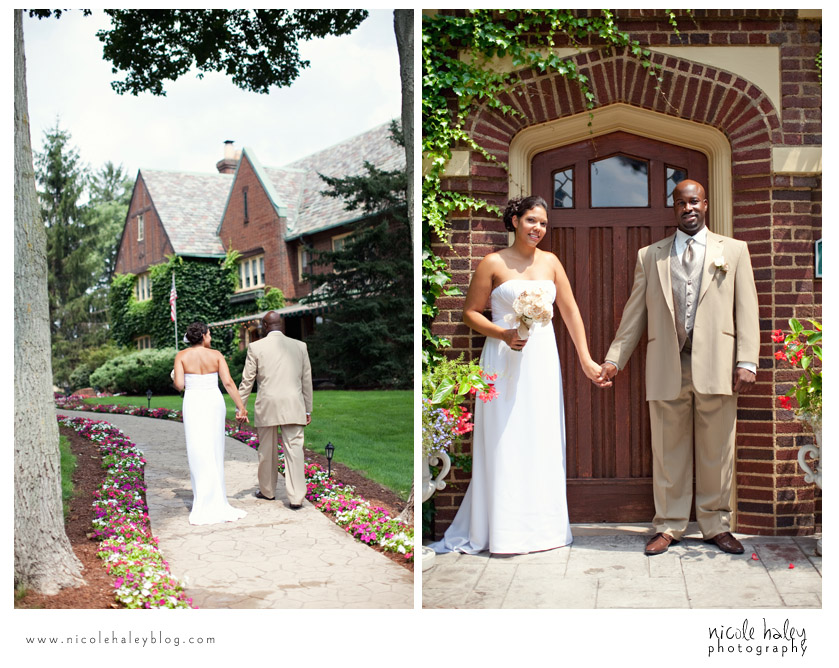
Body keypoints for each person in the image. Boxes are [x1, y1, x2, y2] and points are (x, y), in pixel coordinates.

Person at [430, 195, 603, 555]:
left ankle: (544, 531)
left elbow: (570, 313)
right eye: (531, 221)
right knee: (505, 438)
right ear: (514, 221)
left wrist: (586, 360)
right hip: (502, 360)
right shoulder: (492, 263)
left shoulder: (552, 263)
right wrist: (504, 334)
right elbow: (470, 314)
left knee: (540, 436)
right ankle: (504, 531)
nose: (537, 228)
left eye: (542, 222)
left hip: (542, 360)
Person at [597, 179, 760, 556]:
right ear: (673, 207)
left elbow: (746, 309)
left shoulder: (733, 251)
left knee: (718, 452)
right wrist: (613, 359)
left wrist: (747, 360)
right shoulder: (650, 256)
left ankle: (716, 525)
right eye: (680, 203)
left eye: (694, 202)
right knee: (668, 453)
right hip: (667, 365)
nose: (688, 208)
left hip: (719, 366)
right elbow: (634, 314)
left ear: (706, 204)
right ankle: (669, 525)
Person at [172, 321, 249, 525]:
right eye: (210, 334)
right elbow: (228, 383)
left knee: (197, 448)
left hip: (194, 402)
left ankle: (203, 500)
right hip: (214, 402)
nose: (211, 337)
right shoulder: (216, 355)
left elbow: (179, 385)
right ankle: (217, 498)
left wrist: (176, 378)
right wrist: (241, 407)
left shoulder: (181, 356)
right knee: (215, 449)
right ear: (204, 335)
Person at [237, 311, 313, 508]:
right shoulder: (300, 346)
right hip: (293, 404)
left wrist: (241, 407)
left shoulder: (255, 347)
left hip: (267, 404)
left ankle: (267, 490)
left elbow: (247, 381)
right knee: (294, 451)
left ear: (264, 325)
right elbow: (306, 380)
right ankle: (296, 498)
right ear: (281, 325)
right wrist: (308, 409)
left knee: (266, 451)